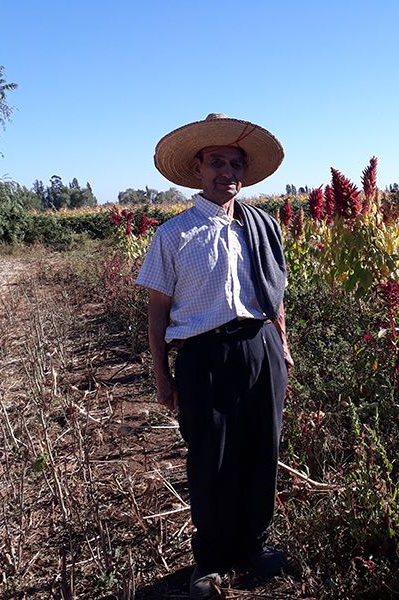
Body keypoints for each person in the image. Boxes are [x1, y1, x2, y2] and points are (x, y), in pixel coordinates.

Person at [136, 113, 293, 599]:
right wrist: (162, 376)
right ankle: (210, 559)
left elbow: (274, 294)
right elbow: (158, 312)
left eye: (235, 163)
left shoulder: (262, 227)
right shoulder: (173, 235)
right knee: (211, 458)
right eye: (217, 162)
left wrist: (283, 344)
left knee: (262, 451)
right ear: (198, 170)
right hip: (204, 356)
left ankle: (255, 546)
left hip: (260, 346)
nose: (227, 171)